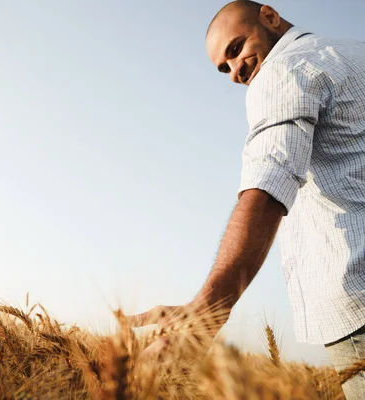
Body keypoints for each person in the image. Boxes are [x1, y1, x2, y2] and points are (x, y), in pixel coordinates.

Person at [126, 1, 365, 398]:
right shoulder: (355, 53)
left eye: (236, 48)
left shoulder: (284, 71)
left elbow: (267, 187)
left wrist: (206, 315)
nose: (235, 71)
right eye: (224, 67)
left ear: (269, 17)